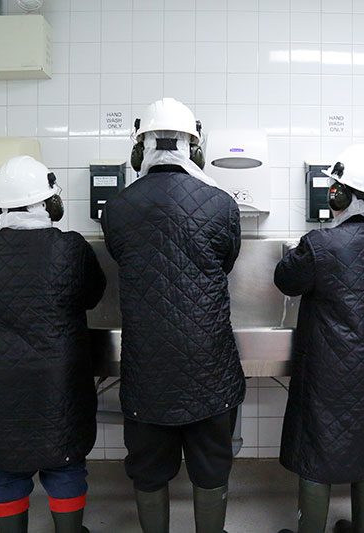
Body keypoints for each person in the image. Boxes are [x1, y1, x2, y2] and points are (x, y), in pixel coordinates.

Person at [101, 98, 243, 533]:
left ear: (139, 149)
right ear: (195, 149)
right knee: (212, 468)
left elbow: (121, 257)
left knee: (148, 469)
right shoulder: (222, 204)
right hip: (211, 369)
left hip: (148, 371)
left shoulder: (118, 208)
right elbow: (227, 261)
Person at [0, 155, 106, 533]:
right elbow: (94, 294)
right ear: (51, 203)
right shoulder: (72, 248)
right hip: (58, 382)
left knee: (5, 468)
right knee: (65, 463)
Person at [274, 144, 364, 533]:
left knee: (319, 447)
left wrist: (302, 247)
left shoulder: (319, 245)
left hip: (328, 372)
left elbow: (285, 279)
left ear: (340, 195)